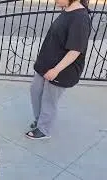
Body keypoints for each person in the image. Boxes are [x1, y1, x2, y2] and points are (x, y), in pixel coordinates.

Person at [25, 0, 91, 139]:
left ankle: (44, 129)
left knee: (49, 99)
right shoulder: (67, 10)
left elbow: (75, 50)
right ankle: (39, 120)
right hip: (46, 64)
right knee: (35, 91)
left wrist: (56, 70)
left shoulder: (80, 18)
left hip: (61, 69)